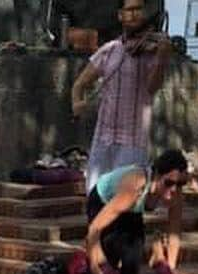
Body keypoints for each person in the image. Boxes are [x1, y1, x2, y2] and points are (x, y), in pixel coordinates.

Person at [69, 1, 173, 191]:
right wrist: (77, 102)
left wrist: (161, 61)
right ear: (120, 15)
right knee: (94, 194)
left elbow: (152, 87)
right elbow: (80, 84)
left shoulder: (151, 51)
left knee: (124, 200)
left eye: (139, 9)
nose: (135, 14)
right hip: (104, 137)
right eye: (130, 10)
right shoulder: (109, 50)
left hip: (133, 140)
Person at [84, 150, 187, 274]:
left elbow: (174, 233)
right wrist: (94, 260)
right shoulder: (135, 186)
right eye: (168, 183)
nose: (174, 189)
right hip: (104, 202)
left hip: (132, 210)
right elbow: (94, 230)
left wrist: (170, 270)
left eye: (180, 184)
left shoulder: (176, 194)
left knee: (133, 258)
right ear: (156, 175)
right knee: (108, 255)